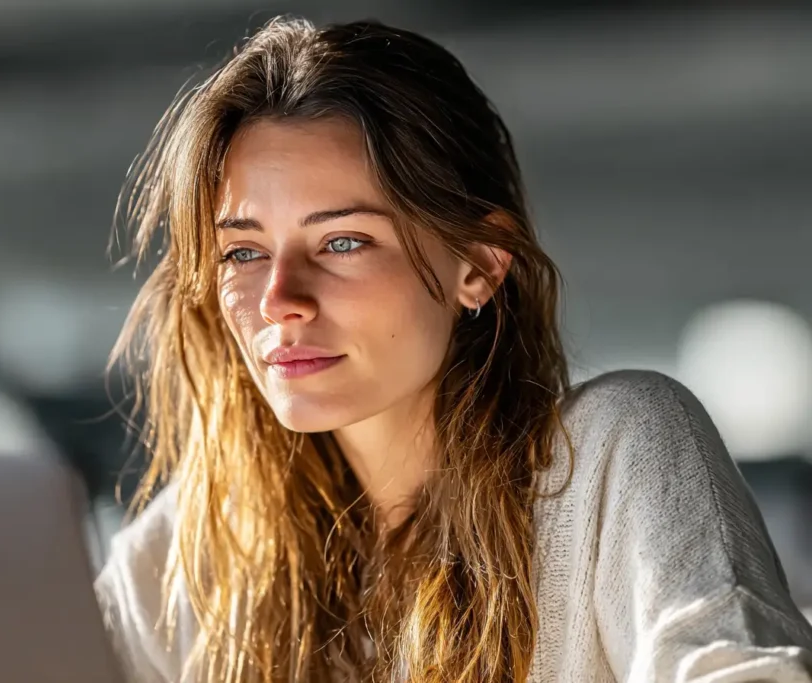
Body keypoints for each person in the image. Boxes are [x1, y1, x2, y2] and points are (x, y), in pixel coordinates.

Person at [94, 17, 812, 683]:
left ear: (480, 262)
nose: (280, 295)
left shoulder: (614, 455)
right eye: (244, 251)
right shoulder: (183, 560)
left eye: (343, 241)